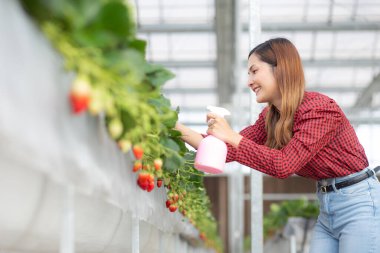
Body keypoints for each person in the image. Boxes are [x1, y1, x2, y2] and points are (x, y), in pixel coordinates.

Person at [175, 37, 380, 253]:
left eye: (254, 71)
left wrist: (231, 135)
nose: (249, 81)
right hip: (327, 207)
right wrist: (175, 126)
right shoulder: (271, 117)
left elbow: (283, 165)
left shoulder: (320, 110)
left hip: (359, 204)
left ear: (280, 69)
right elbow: (224, 151)